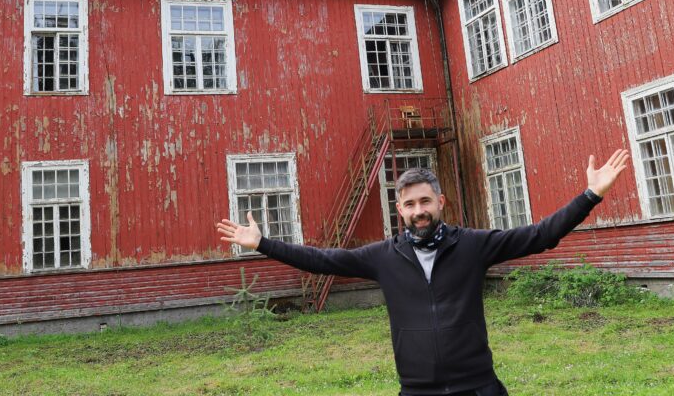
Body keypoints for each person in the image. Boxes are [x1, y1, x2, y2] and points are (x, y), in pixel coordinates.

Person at [216, 149, 630, 396]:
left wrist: (591, 195)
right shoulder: (382, 257)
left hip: (477, 386)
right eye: (410, 204)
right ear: (400, 210)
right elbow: (321, 260)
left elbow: (541, 235)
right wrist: (263, 243)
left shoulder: (473, 245)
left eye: (426, 202)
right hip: (417, 390)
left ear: (440, 202)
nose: (419, 211)